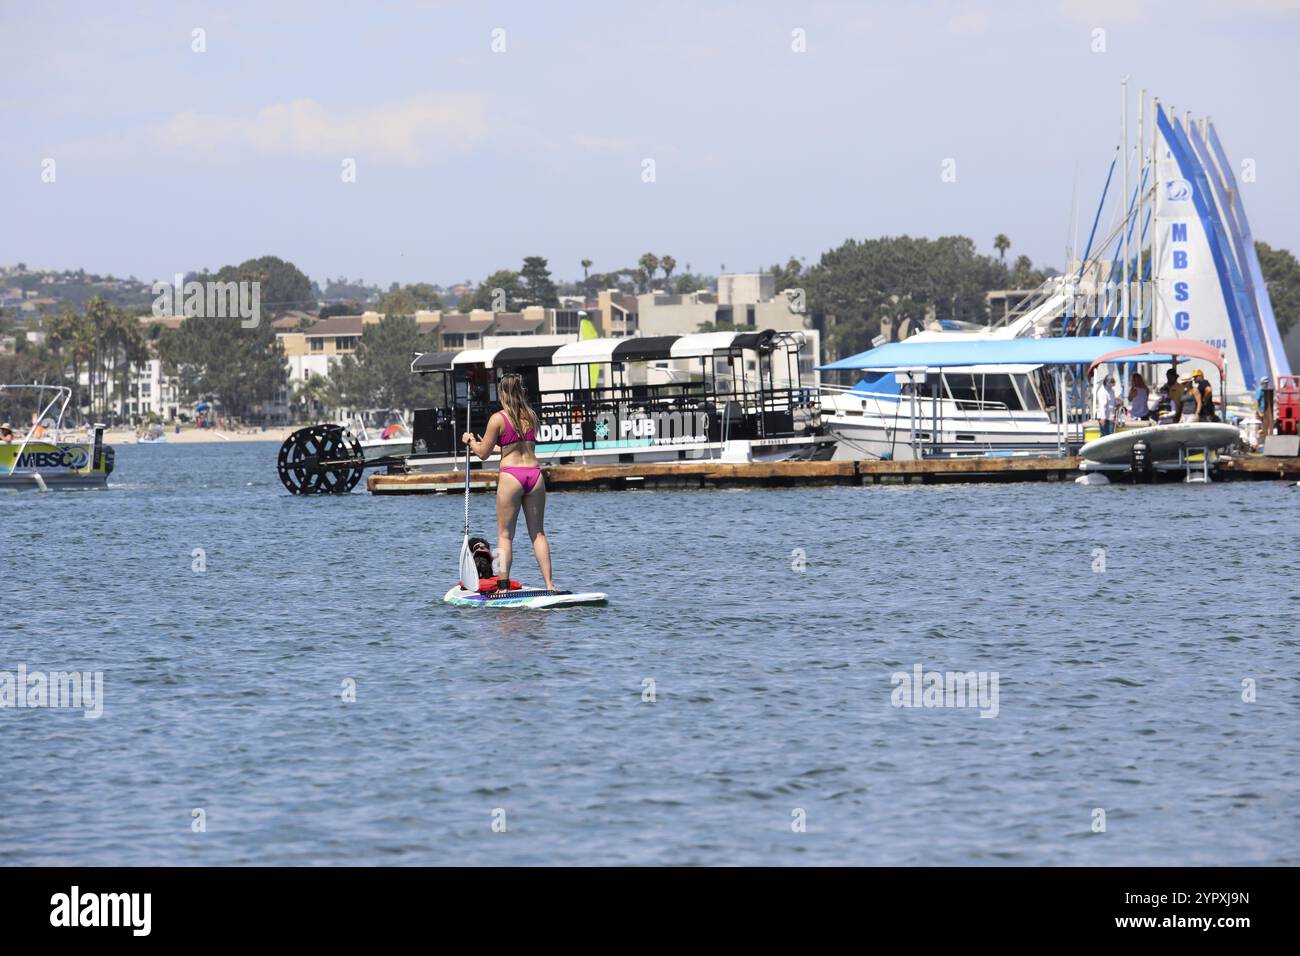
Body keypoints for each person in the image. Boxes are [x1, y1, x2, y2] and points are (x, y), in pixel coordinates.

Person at [461, 373, 558, 591]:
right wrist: (484, 443)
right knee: (538, 534)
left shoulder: (498, 418)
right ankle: (550, 584)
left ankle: (503, 586)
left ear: (502, 393)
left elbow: (483, 453)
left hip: (511, 477)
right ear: (521, 391)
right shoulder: (531, 415)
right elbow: (516, 446)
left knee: (505, 535)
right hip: (534, 476)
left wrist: (470, 441)